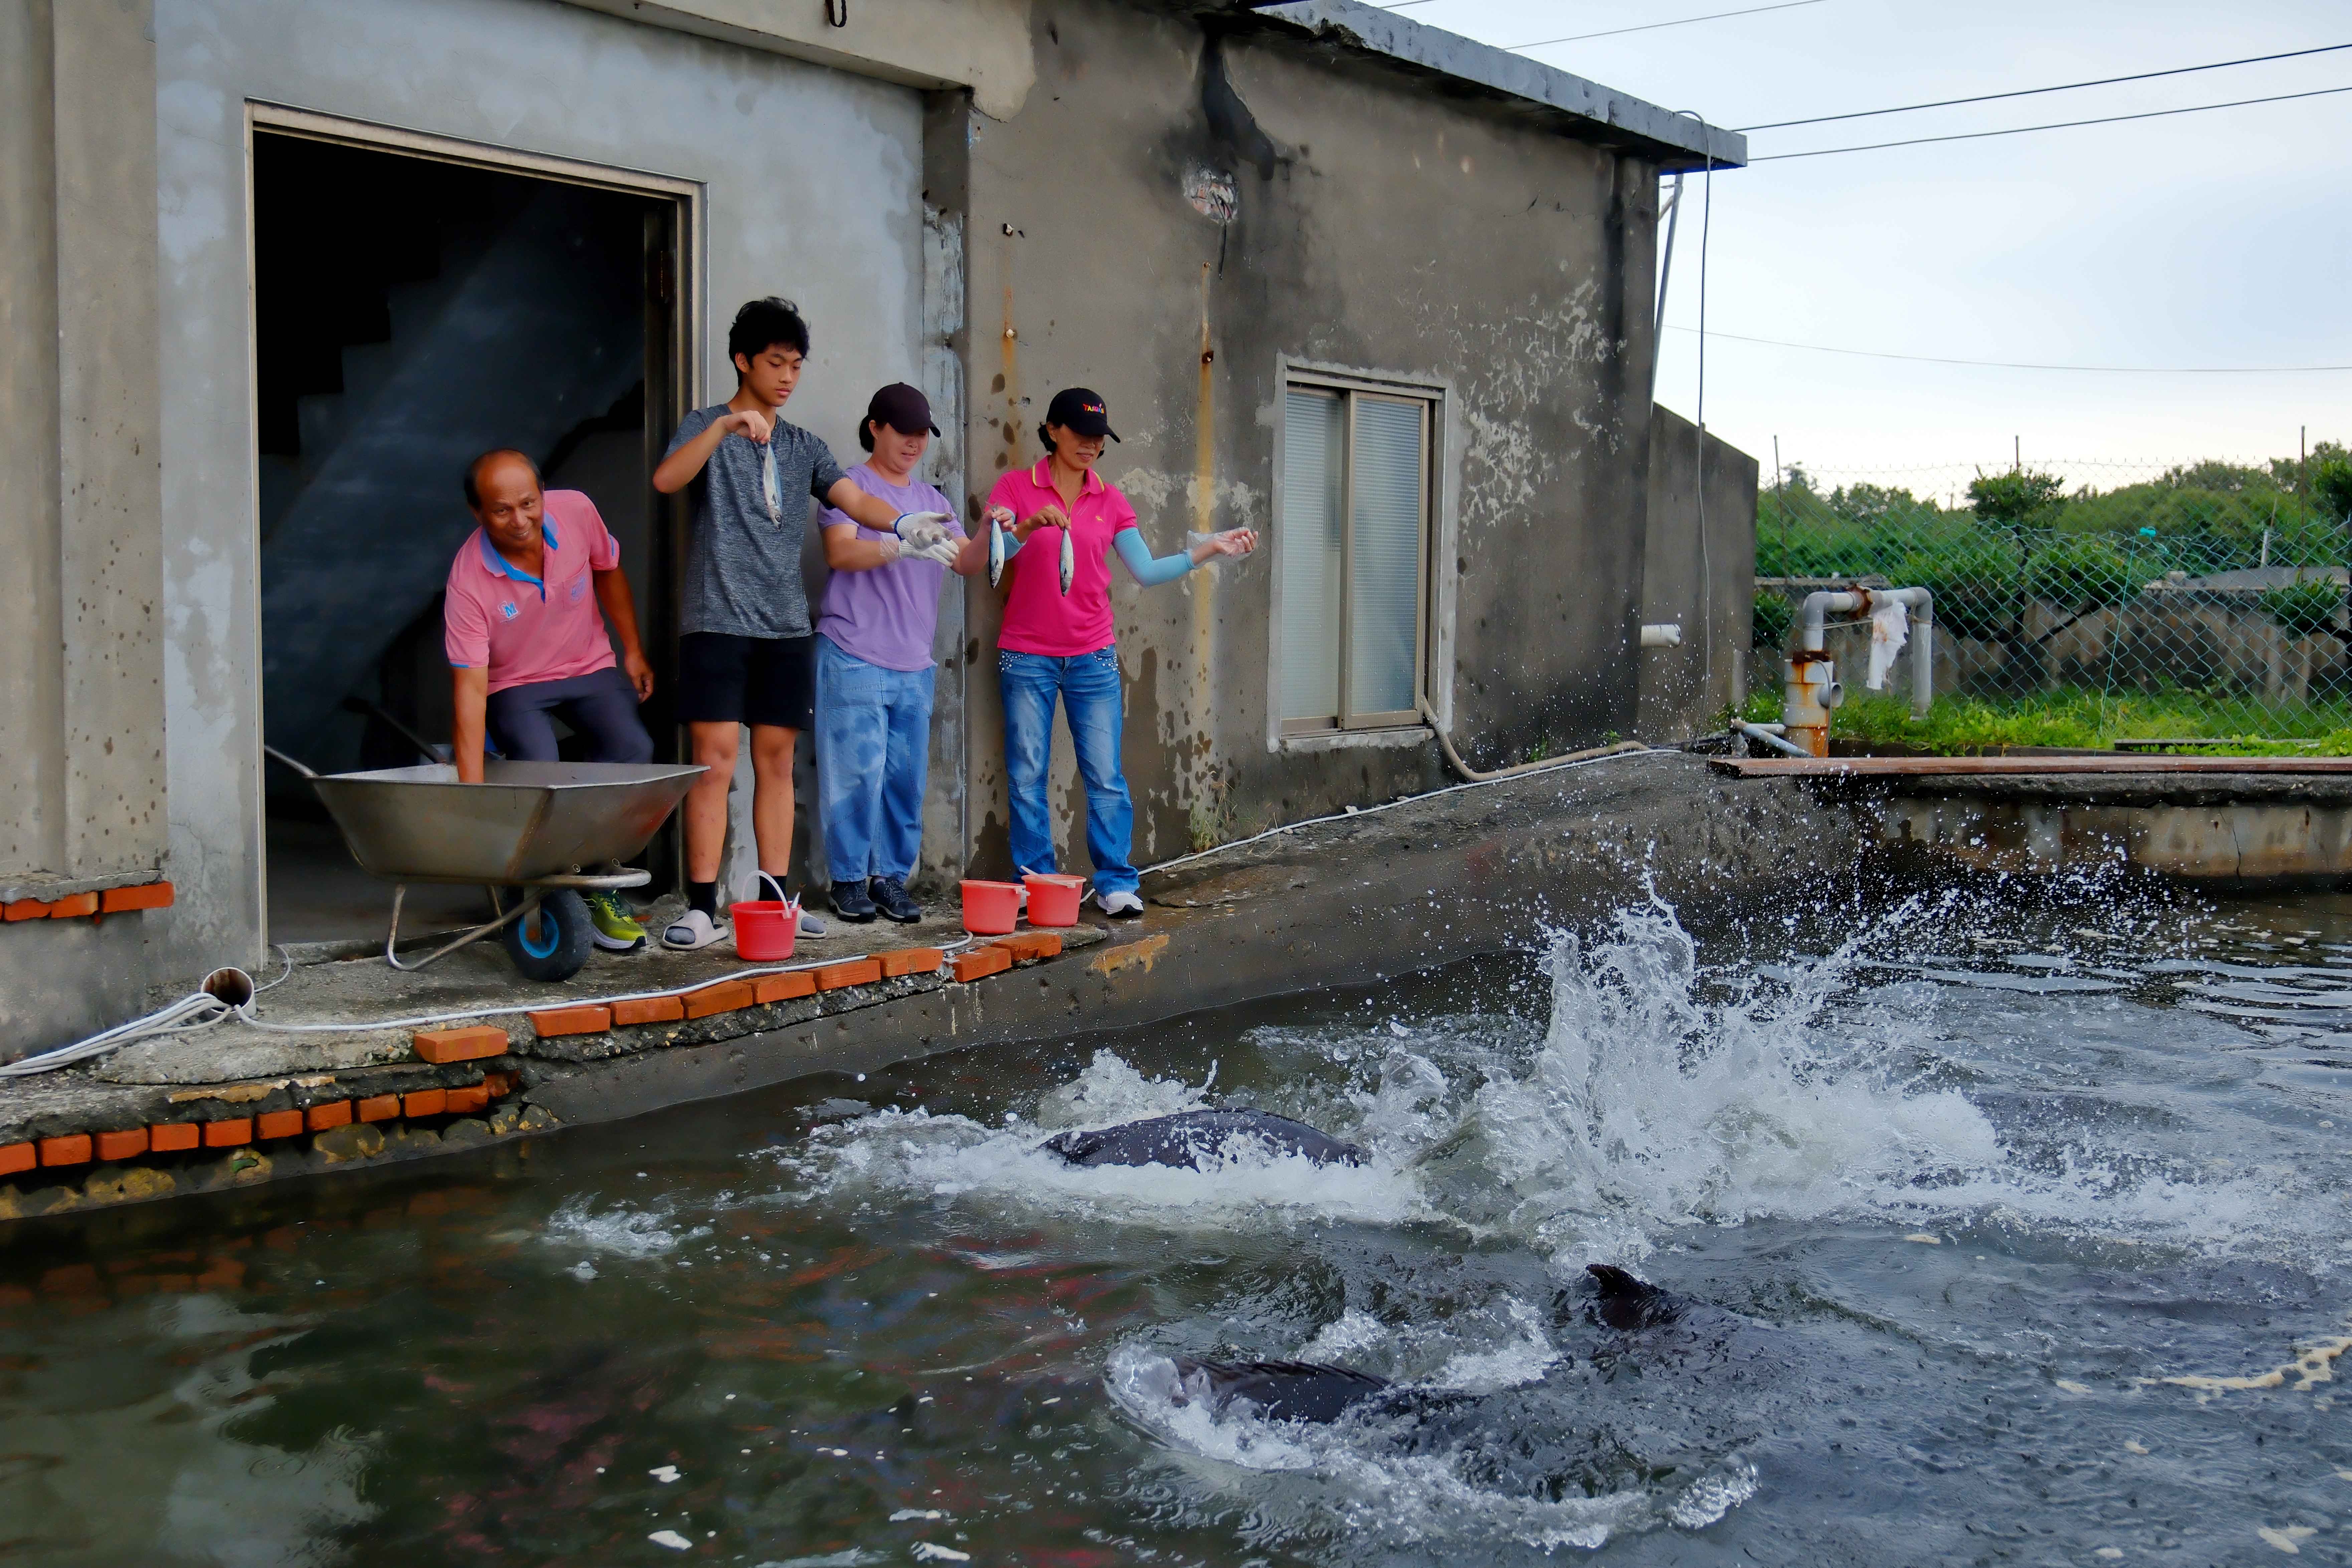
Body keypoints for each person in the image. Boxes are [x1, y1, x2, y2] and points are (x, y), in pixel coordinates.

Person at [652, 298, 958, 952]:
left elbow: (855, 501)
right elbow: (667, 479)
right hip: (716, 620)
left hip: (787, 627)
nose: (788, 376)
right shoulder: (704, 426)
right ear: (743, 361)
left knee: (777, 764)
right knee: (712, 762)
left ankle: (775, 902)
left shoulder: (805, 446)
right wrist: (724, 428)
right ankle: (702, 907)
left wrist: (903, 524)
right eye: (776, 363)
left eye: (796, 365)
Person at [984, 388, 1255, 918]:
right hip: (1026, 655)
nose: (1091, 445)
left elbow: (1146, 570)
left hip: (1093, 655)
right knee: (1026, 774)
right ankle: (1037, 882)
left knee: (1105, 776)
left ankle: (1115, 882)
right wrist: (1026, 524)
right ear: (1053, 431)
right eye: (1080, 434)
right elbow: (999, 554)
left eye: (1098, 437)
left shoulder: (1111, 501)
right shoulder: (1016, 487)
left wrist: (1208, 550)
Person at [443, 448, 656, 952]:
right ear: (477, 513)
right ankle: (549, 888)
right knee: (541, 776)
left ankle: (598, 882)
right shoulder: (468, 582)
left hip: (587, 664)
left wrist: (632, 650)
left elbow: (608, 569)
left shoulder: (577, 510)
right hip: (514, 685)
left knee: (632, 752)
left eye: (528, 504)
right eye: (501, 510)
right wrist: (472, 799)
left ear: (542, 495)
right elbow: (470, 693)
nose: (520, 521)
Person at [813, 384, 982, 924]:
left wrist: (999, 530)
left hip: (914, 663)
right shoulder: (849, 485)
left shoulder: (935, 501)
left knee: (904, 783)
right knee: (854, 778)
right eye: (903, 432)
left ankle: (888, 880)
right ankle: (847, 881)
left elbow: (966, 563)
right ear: (875, 428)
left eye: (922, 434)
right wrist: (898, 545)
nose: (914, 443)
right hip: (853, 652)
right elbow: (840, 552)